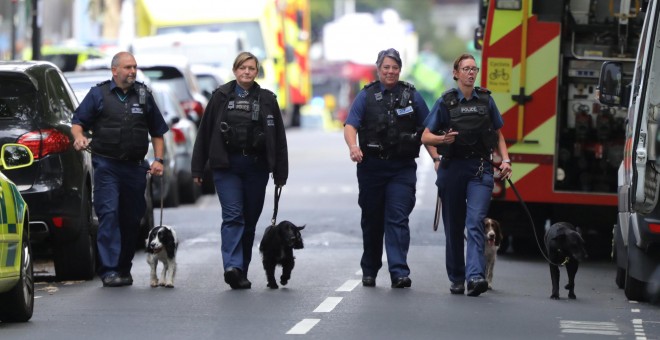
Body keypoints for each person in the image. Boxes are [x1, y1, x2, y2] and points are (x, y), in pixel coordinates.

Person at [191, 51, 288, 290]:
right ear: (235, 70)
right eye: (242, 68)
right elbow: (204, 133)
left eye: (251, 68)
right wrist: (198, 168)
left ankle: (241, 270)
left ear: (256, 72)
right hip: (227, 167)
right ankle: (231, 266)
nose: (247, 72)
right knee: (233, 215)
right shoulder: (220, 96)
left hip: (256, 168)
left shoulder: (267, 99)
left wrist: (280, 172)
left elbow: (279, 139)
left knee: (250, 220)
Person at [71, 51, 169, 287]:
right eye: (127, 67)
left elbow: (157, 131)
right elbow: (78, 123)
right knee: (109, 214)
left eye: (135, 67)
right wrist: (79, 138)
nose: (132, 71)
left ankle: (123, 267)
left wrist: (158, 160)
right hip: (107, 166)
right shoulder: (98, 94)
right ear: (114, 70)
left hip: (135, 168)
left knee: (131, 219)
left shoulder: (144, 95)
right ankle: (109, 270)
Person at [344, 48, 438, 289]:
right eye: (386, 67)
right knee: (372, 220)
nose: (390, 71)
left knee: (397, 218)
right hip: (371, 168)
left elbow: (427, 131)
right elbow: (350, 125)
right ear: (378, 68)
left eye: (395, 67)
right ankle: (370, 269)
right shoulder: (366, 96)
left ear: (400, 69)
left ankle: (399, 272)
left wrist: (437, 159)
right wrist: (353, 146)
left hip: (401, 168)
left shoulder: (412, 96)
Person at [421, 53, 512, 297]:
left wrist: (505, 160)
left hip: (480, 170)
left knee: (475, 222)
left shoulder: (486, 101)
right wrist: (443, 141)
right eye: (466, 69)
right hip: (452, 170)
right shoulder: (446, 102)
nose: (471, 73)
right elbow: (425, 136)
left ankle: (475, 277)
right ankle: (457, 278)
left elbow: (499, 134)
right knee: (454, 227)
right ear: (456, 73)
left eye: (474, 68)